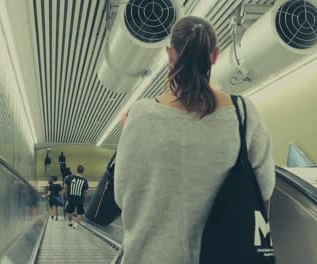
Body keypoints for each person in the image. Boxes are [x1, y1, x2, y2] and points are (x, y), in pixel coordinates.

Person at [114, 16, 275, 264]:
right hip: (224, 255)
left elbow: (121, 194)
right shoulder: (244, 114)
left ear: (170, 55)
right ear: (214, 56)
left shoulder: (141, 115)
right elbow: (264, 186)